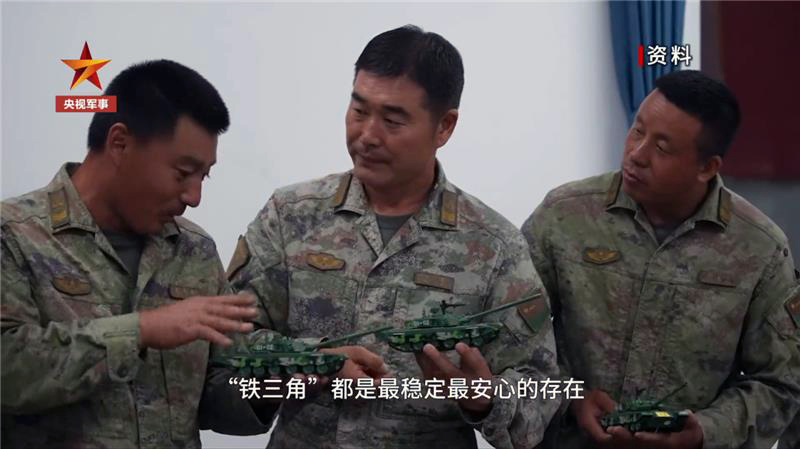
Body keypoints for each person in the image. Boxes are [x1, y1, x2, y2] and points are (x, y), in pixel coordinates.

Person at [221, 25, 559, 449]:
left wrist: (484, 398)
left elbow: (541, 391)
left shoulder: (493, 245)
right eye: (359, 111)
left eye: (393, 120)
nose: (367, 135)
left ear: (444, 127)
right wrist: (310, 360)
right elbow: (227, 340)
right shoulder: (291, 216)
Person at [521, 70, 800, 449]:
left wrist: (704, 431)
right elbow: (513, 339)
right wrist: (571, 398)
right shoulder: (564, 215)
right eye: (638, 131)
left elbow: (781, 383)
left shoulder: (760, 248)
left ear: (707, 167)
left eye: (662, 148)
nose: (637, 154)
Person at [1, 59, 262, 448]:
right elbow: (9, 370)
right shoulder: (15, 235)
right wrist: (140, 330)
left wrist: (292, 380)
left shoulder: (194, 251)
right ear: (119, 143)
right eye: (182, 172)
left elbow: (216, 392)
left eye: (203, 176)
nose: (194, 197)